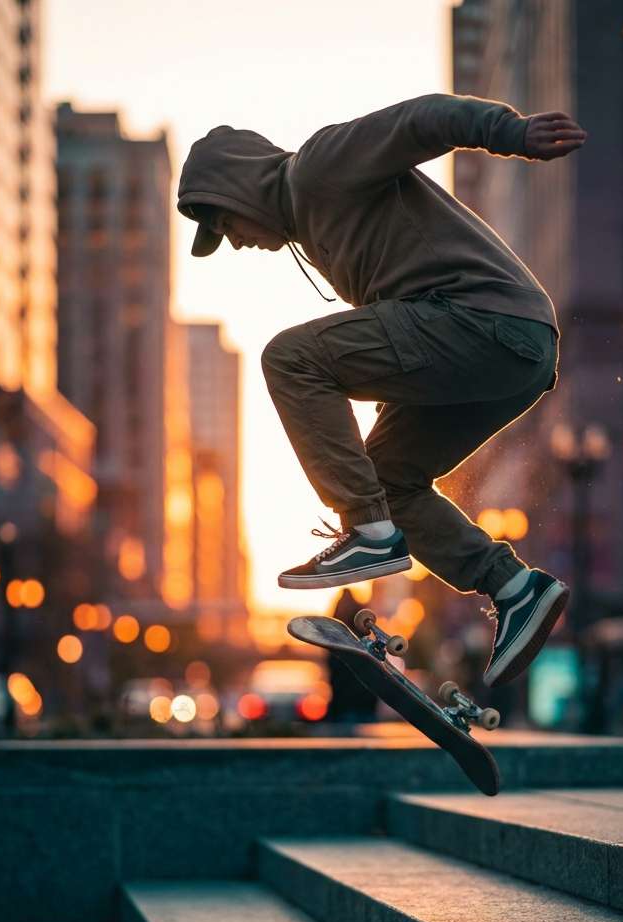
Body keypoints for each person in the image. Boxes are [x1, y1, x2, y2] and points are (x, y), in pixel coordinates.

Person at [177, 93, 586, 686]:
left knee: (289, 358)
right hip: (509, 349)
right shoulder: (317, 232)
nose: (235, 242)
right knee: (387, 479)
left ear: (238, 190)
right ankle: (516, 588)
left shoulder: (318, 167)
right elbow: (405, 327)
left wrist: (512, 133)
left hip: (487, 321)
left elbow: (421, 121)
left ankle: (368, 533)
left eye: (225, 224)